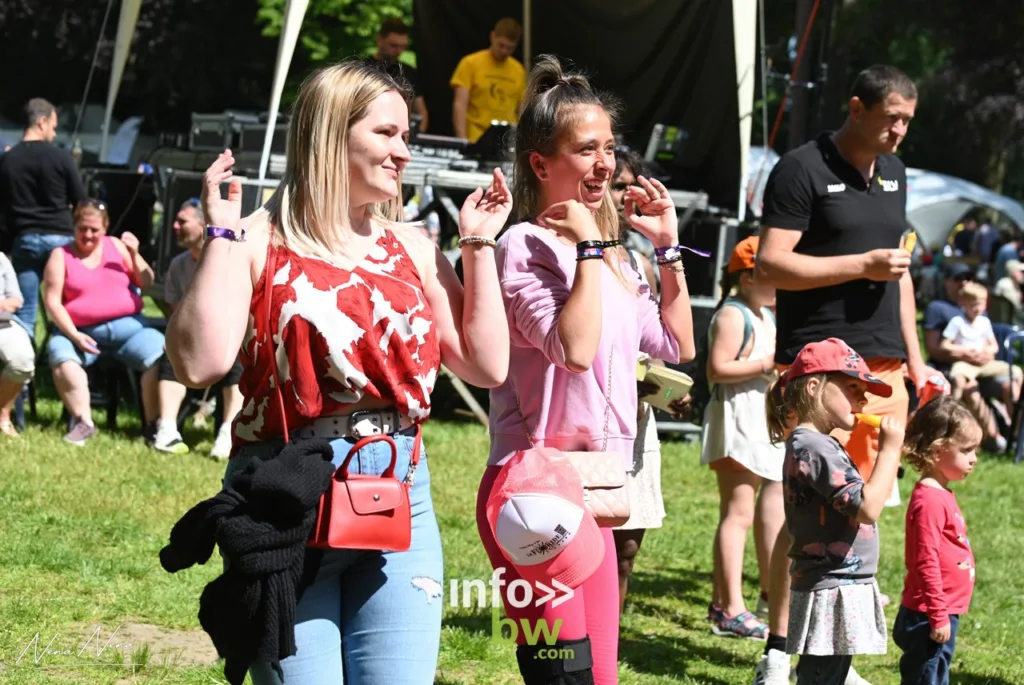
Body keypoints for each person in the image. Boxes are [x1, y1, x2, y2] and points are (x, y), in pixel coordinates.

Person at [165, 59, 512, 685]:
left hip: (400, 495)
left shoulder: (413, 245)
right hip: (284, 499)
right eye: (387, 134)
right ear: (330, 132)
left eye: (406, 136)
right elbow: (199, 363)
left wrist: (479, 244)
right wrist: (219, 233)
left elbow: (485, 365)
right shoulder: (253, 239)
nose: (403, 151)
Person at [476, 54, 695, 685]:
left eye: (610, 147)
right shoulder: (523, 247)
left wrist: (666, 247)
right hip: (535, 493)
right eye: (586, 149)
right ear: (541, 164)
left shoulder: (617, 259)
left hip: (597, 487)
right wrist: (592, 251)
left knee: (600, 677)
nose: (605, 164)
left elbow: (676, 344)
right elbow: (570, 348)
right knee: (562, 676)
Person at [754, 64, 926, 685]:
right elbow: (770, 265)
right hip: (818, 363)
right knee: (808, 514)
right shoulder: (801, 168)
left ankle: (835, 652)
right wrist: (861, 264)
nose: (900, 131)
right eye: (891, 118)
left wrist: (917, 356)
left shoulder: (897, 174)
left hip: (883, 367)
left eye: (908, 119)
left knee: (865, 508)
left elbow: (898, 275)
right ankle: (779, 645)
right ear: (857, 107)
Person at [765, 338, 903, 685]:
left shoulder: (820, 444)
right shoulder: (813, 446)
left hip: (839, 582)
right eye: (853, 387)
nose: (863, 399)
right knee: (823, 677)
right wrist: (889, 452)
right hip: (830, 586)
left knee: (831, 675)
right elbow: (868, 508)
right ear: (814, 387)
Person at [700, 236, 783, 639]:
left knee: (752, 513)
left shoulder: (765, 314)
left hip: (759, 426)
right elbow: (717, 369)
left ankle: (733, 601)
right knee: (738, 514)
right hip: (736, 425)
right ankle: (730, 608)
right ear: (747, 278)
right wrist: (768, 363)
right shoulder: (733, 315)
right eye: (772, 275)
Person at [42, 200, 163, 446]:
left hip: (129, 328)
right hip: (81, 331)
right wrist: (74, 335)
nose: (88, 235)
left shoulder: (117, 247)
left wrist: (134, 253)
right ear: (74, 227)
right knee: (59, 353)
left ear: (105, 228)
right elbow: (53, 303)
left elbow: (147, 282)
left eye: (94, 230)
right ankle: (83, 422)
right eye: (82, 228)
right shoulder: (60, 255)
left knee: (163, 354)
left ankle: (154, 425)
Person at [895, 396, 979, 685]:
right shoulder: (930, 500)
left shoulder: (941, 493)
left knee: (936, 675)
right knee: (926, 678)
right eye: (967, 450)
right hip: (927, 615)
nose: (974, 458)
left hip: (940, 610)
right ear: (938, 450)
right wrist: (938, 614)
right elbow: (925, 560)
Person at [151, 198, 244, 458]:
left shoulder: (231, 259)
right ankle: (167, 430)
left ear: (204, 224)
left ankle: (227, 433)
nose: (175, 226)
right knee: (172, 353)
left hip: (229, 335)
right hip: (194, 337)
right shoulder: (179, 264)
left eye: (182, 221)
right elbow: (176, 310)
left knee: (236, 361)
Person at [0, 98, 87, 335]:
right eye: (53, 126)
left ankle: (22, 368)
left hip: (25, 240)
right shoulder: (61, 157)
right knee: (66, 306)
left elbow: (3, 210)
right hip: (61, 241)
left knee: (25, 313)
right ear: (42, 121)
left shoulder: (7, 160)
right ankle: (65, 352)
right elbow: (81, 200)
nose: (54, 132)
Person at [922, 263, 1005, 449]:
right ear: (946, 282)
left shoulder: (978, 308)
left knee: (1010, 382)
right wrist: (964, 355)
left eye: (968, 278)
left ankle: (1013, 436)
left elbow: (989, 341)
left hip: (982, 364)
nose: (964, 282)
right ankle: (990, 437)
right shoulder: (937, 308)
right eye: (958, 279)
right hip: (949, 365)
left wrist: (986, 354)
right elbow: (933, 348)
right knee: (969, 386)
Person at [450, 17, 527, 142]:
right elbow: (460, 105)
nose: (504, 51)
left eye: (510, 48)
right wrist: (462, 139)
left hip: (507, 140)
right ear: (492, 36)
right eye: (501, 45)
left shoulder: (518, 70)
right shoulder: (470, 63)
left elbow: (521, 109)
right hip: (476, 137)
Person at [370, 17, 429, 132]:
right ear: (379, 40)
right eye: (393, 46)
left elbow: (422, 112)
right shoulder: (362, 68)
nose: (398, 51)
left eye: (403, 47)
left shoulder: (409, 72)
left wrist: (416, 136)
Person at [0, 251, 35, 437]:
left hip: (2, 323)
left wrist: (2, 305)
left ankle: (3, 415)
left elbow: (16, 299)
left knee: (23, 362)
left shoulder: (1, 259)